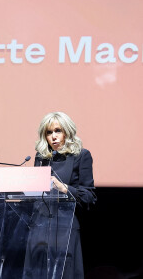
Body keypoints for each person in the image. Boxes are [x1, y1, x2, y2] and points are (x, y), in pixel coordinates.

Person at [34, 111, 96, 279]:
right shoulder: (41, 158)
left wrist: (64, 188)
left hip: (65, 228)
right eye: (49, 132)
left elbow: (89, 196)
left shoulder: (81, 156)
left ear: (67, 132)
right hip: (40, 229)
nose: (53, 136)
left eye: (57, 131)